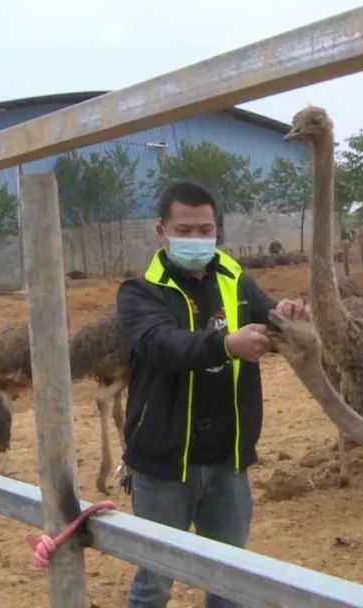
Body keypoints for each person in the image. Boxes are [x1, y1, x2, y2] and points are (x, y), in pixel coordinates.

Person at [116, 181, 310, 608]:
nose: (196, 239)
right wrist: (225, 344)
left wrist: (289, 317)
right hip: (165, 465)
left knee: (231, 584)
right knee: (155, 583)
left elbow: (269, 316)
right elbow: (162, 344)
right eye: (185, 230)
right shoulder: (139, 292)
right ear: (161, 231)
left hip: (227, 462)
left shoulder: (234, 276)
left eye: (205, 229)